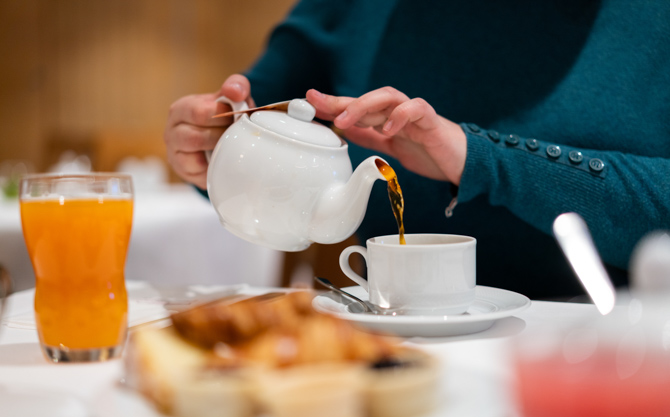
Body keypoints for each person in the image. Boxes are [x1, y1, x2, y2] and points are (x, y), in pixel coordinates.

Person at [164, 0, 670, 300]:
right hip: (391, 346)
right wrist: (208, 145)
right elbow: (246, 116)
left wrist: (480, 158)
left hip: (614, 353)